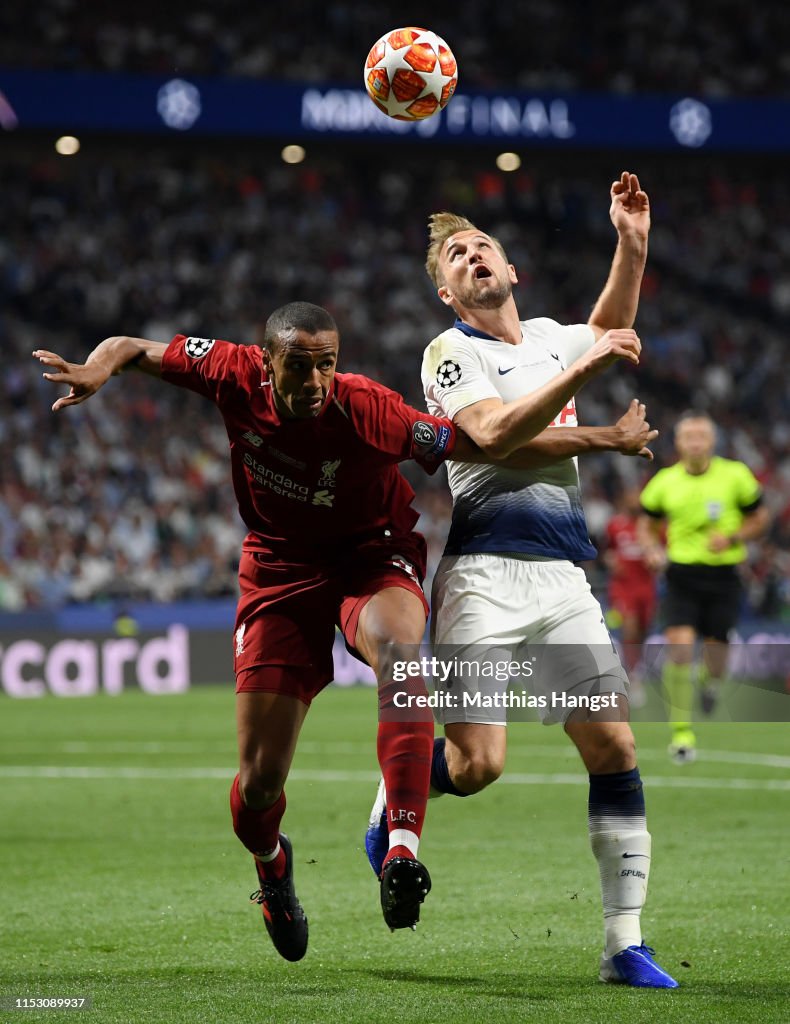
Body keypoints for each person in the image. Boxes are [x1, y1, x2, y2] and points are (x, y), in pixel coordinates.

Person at [34, 300, 641, 962]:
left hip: (369, 556)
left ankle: (401, 848)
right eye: (300, 366)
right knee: (260, 780)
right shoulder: (230, 372)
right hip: (278, 569)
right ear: (268, 362)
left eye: (327, 365)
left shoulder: (371, 408)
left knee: (403, 656)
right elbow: (129, 344)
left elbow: (487, 443)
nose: (316, 381)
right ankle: (272, 865)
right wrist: (96, 370)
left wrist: (599, 437)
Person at [366, 172, 679, 988]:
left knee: (613, 743)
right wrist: (599, 426)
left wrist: (632, 245)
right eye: (457, 255)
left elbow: (607, 326)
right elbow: (495, 435)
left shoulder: (544, 336)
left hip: (562, 577)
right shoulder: (449, 353)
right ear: (447, 293)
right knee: (478, 766)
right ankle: (390, 802)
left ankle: (623, 943)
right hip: (481, 576)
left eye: (483, 246)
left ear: (512, 272)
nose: (473, 255)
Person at [638, 411, 770, 764]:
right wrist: (652, 549)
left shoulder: (735, 476)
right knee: (679, 647)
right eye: (689, 436)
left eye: (702, 436)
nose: (695, 442)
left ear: (712, 442)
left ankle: (709, 684)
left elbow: (760, 517)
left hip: (725, 575)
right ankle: (682, 732)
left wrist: (733, 537)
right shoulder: (665, 482)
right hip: (681, 574)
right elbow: (647, 524)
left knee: (716, 658)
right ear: (678, 443)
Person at [603, 486, 659, 701]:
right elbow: (606, 550)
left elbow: (663, 551)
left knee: (644, 629)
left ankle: (637, 666)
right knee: (630, 627)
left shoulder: (652, 528)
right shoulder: (615, 525)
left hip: (647, 585)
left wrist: (658, 560)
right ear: (625, 501)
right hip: (623, 586)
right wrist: (610, 561)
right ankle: (632, 677)